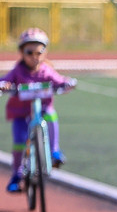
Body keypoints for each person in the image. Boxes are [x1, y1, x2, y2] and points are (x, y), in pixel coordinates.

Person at [1, 28, 75, 193]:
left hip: (42, 109)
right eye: (29, 52)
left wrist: (66, 83)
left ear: (45, 52)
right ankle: (17, 175)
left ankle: (54, 150)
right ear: (22, 52)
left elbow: (59, 80)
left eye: (39, 52)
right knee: (20, 142)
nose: (35, 56)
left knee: (51, 115)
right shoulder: (17, 71)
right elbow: (6, 80)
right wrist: (4, 85)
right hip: (21, 113)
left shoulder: (46, 70)